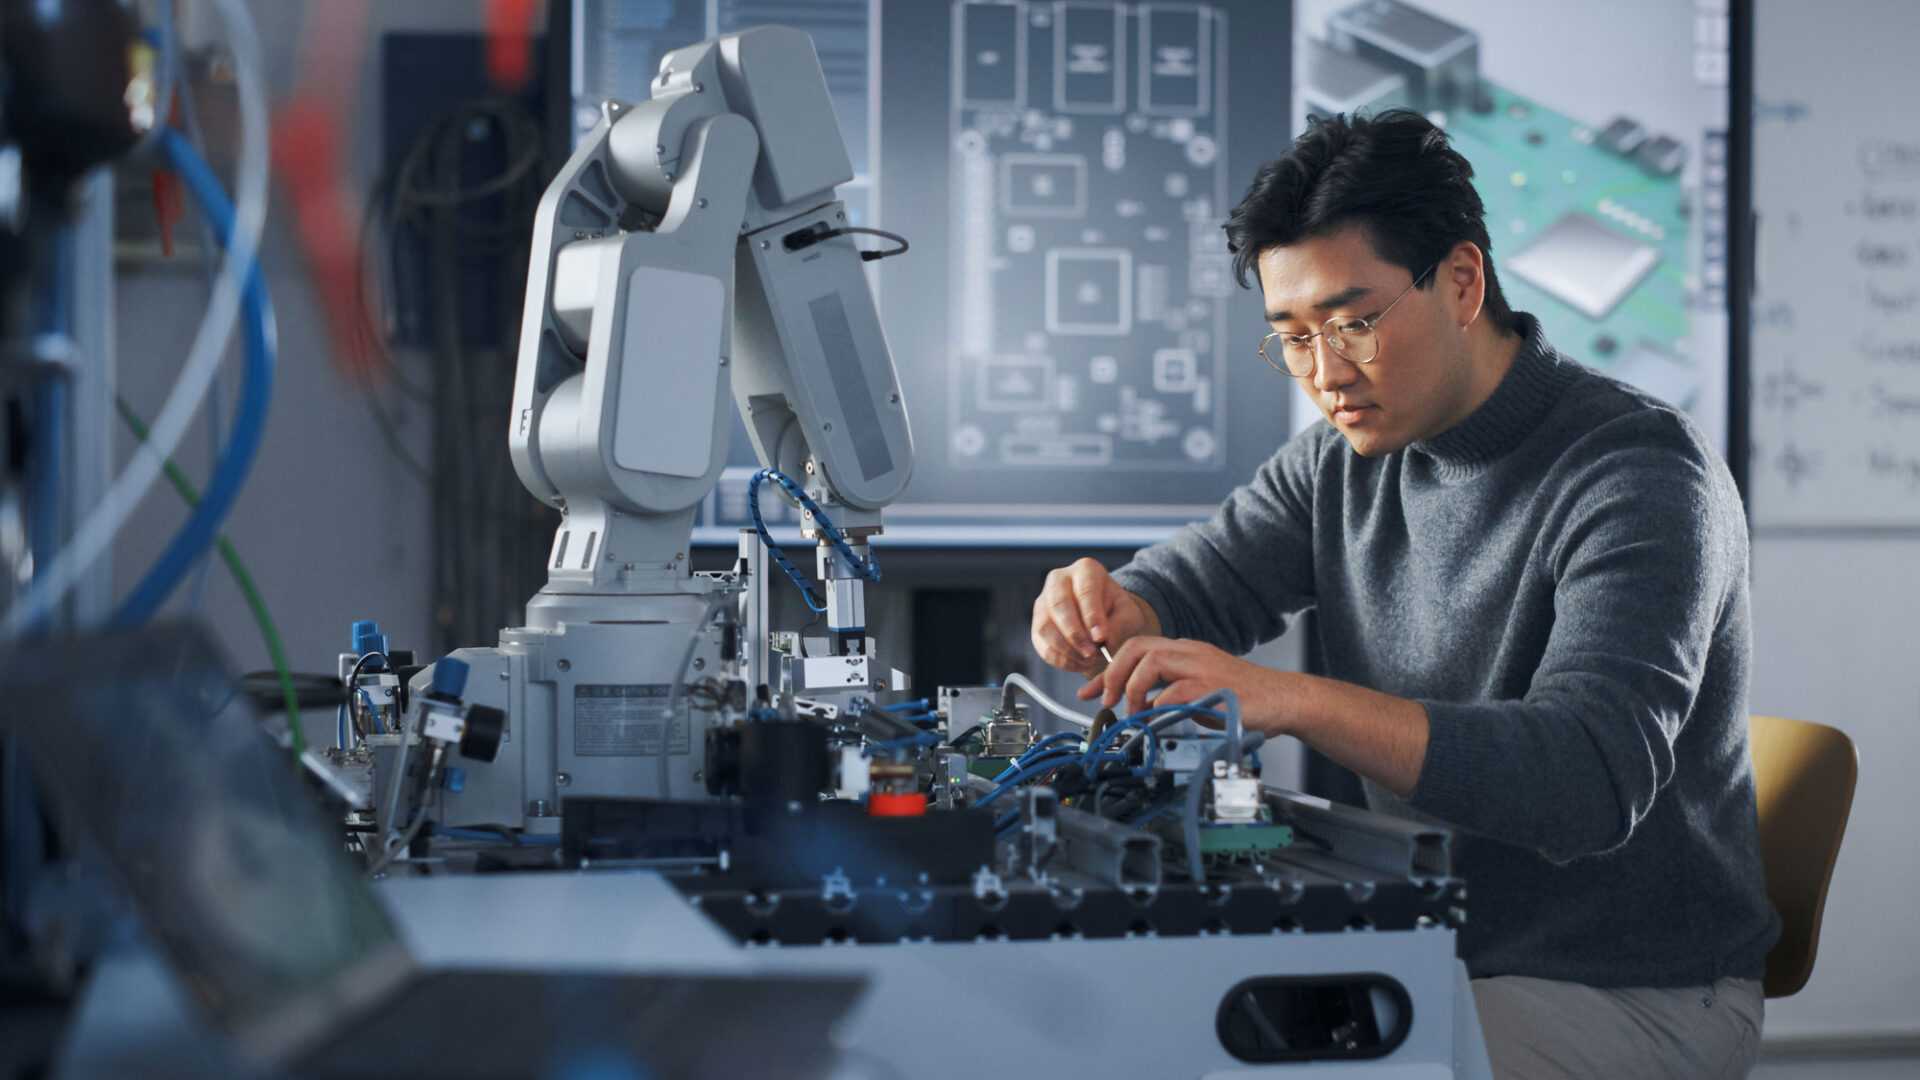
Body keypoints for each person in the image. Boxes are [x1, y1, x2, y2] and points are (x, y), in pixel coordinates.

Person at [1028, 109, 1778, 1079]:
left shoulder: (1637, 474)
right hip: (1414, 946)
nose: (1325, 374)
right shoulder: (1344, 461)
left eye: (1354, 323)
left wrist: (1295, 701)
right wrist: (1116, 604)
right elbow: (1199, 580)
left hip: (1628, 987)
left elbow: (1588, 781)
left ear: (1462, 281)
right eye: (1291, 337)